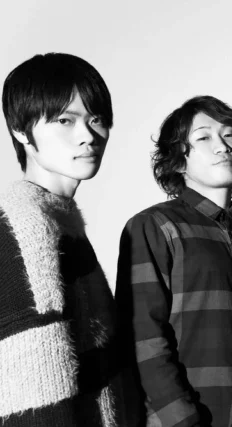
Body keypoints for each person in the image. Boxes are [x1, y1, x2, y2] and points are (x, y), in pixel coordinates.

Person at [116, 95, 232, 427]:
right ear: (179, 160)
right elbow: (143, 339)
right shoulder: (154, 227)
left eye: (229, 135)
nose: (222, 146)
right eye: (203, 137)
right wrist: (183, 420)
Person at [0, 53, 120, 426]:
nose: (88, 135)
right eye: (65, 120)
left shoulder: (60, 221)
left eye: (96, 119)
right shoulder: (28, 228)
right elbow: (35, 399)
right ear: (21, 131)